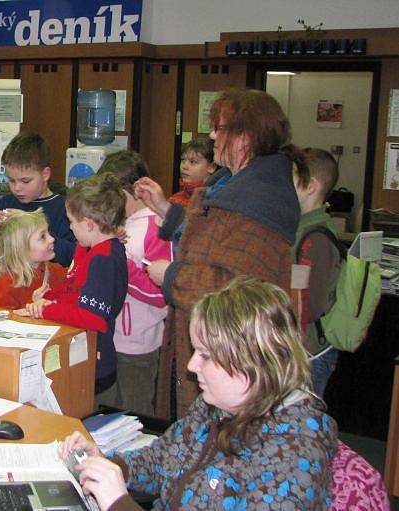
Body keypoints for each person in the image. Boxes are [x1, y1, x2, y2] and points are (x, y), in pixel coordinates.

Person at [60, 277, 338, 511]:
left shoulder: (294, 456)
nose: (192, 366)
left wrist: (118, 503)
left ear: (252, 362)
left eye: (206, 356)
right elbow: (162, 459)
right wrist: (108, 465)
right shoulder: (216, 407)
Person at [135, 89, 300, 419]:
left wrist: (170, 276)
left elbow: (235, 288)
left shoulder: (259, 202)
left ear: (245, 137)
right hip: (208, 345)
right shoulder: (234, 185)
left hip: (230, 360)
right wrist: (168, 211)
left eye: (219, 128)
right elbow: (211, 240)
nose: (211, 135)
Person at [17, 172, 128, 399]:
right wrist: (50, 297)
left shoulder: (104, 258)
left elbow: (92, 316)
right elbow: (75, 287)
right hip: (80, 356)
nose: (70, 228)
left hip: (94, 367)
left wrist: (47, 308)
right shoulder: (87, 249)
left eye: (71, 222)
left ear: (88, 224)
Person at [96, 150, 173, 415]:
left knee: (135, 414)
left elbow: (161, 294)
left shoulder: (156, 226)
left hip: (138, 347)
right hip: (108, 339)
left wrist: (120, 263)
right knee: (105, 413)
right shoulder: (119, 224)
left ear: (137, 191)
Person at [0, 132, 76, 270]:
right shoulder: (3, 205)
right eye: (11, 180)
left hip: (47, 286)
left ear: (45, 174)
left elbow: (72, 256)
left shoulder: (65, 210)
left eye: (25, 181)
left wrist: (36, 232)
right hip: (5, 286)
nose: (17, 188)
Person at [292, 147, 341, 398]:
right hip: (301, 347)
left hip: (309, 350)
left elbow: (307, 303)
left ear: (310, 186)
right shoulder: (302, 228)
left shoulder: (314, 238)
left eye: (293, 178)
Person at [0, 209, 68, 310]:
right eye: (43, 237)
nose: (52, 239)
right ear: (22, 248)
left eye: (48, 233)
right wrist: (33, 305)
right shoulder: (7, 285)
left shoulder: (57, 271)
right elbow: (5, 320)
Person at [169, 137, 217, 207]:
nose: (184, 167)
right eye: (183, 160)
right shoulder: (175, 200)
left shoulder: (216, 201)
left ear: (211, 167)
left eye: (192, 162)